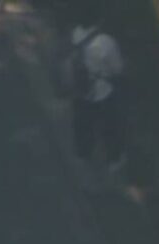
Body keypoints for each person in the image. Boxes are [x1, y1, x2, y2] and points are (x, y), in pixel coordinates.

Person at [69, 2, 126, 185]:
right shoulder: (106, 42)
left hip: (81, 90)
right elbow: (117, 69)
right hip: (102, 92)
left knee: (84, 126)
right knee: (110, 126)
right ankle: (113, 160)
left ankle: (83, 155)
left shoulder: (76, 33)